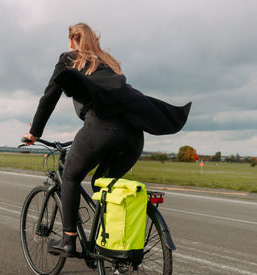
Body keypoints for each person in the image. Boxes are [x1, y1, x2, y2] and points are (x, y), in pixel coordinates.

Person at [22, 23, 190, 257]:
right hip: (133, 136)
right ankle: (112, 242)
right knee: (103, 183)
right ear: (95, 40)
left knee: (70, 176)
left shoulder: (69, 58)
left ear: (72, 40)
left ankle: (69, 240)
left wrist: (34, 132)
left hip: (101, 128)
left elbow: (50, 96)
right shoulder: (109, 63)